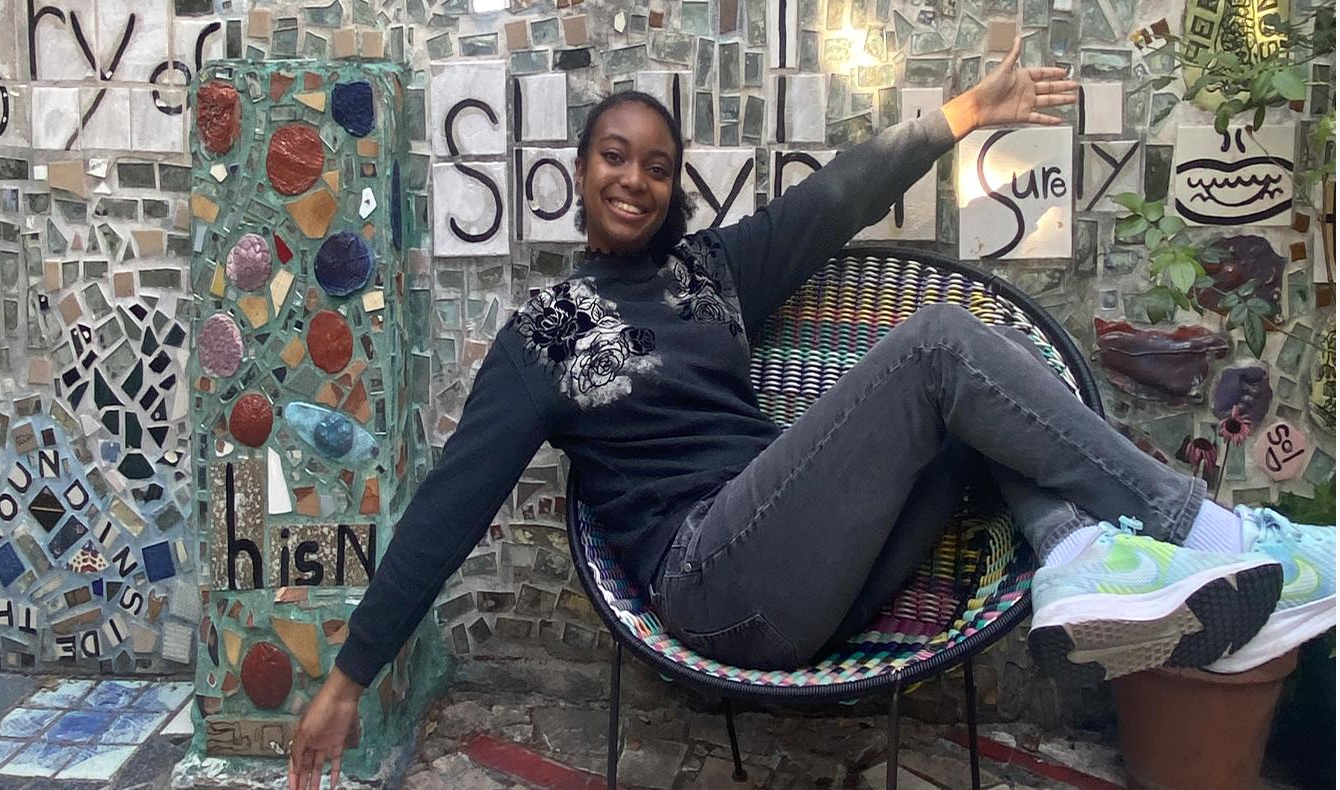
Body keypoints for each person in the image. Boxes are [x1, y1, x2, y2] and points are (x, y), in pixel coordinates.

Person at [287, 39, 1336, 789]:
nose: (634, 178)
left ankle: (1071, 555)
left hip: (816, 571)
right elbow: (448, 506)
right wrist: (349, 673)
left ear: (673, 186)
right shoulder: (546, 332)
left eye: (656, 164)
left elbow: (835, 196)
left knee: (982, 403)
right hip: (710, 582)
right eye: (614, 156)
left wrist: (960, 115)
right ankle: (1203, 531)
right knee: (933, 342)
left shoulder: (713, 271)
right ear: (578, 173)